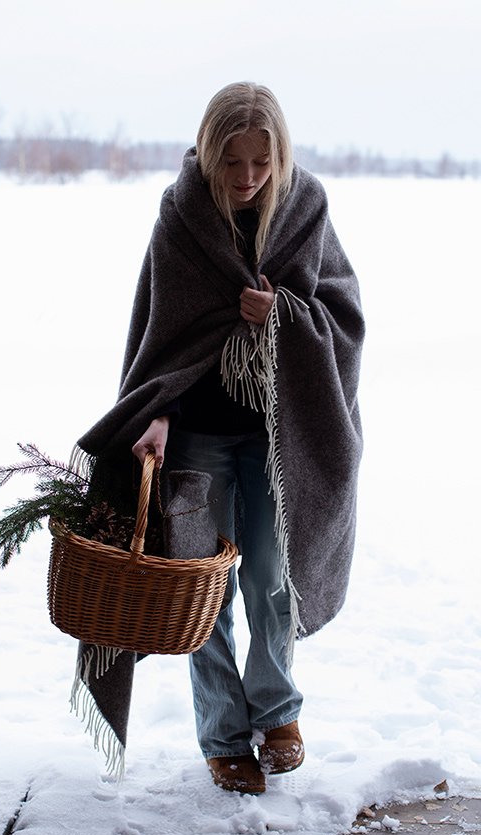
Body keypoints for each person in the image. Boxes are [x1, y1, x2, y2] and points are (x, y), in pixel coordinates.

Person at [76, 81, 364, 795]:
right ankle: (222, 734)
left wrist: (285, 316)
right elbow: (162, 337)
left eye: (261, 162)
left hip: (275, 438)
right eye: (232, 162)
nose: (246, 178)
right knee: (203, 592)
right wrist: (159, 413)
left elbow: (345, 316)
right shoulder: (182, 218)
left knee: (270, 578)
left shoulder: (306, 209)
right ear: (209, 153)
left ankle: (276, 711)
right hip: (198, 437)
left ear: (280, 156)